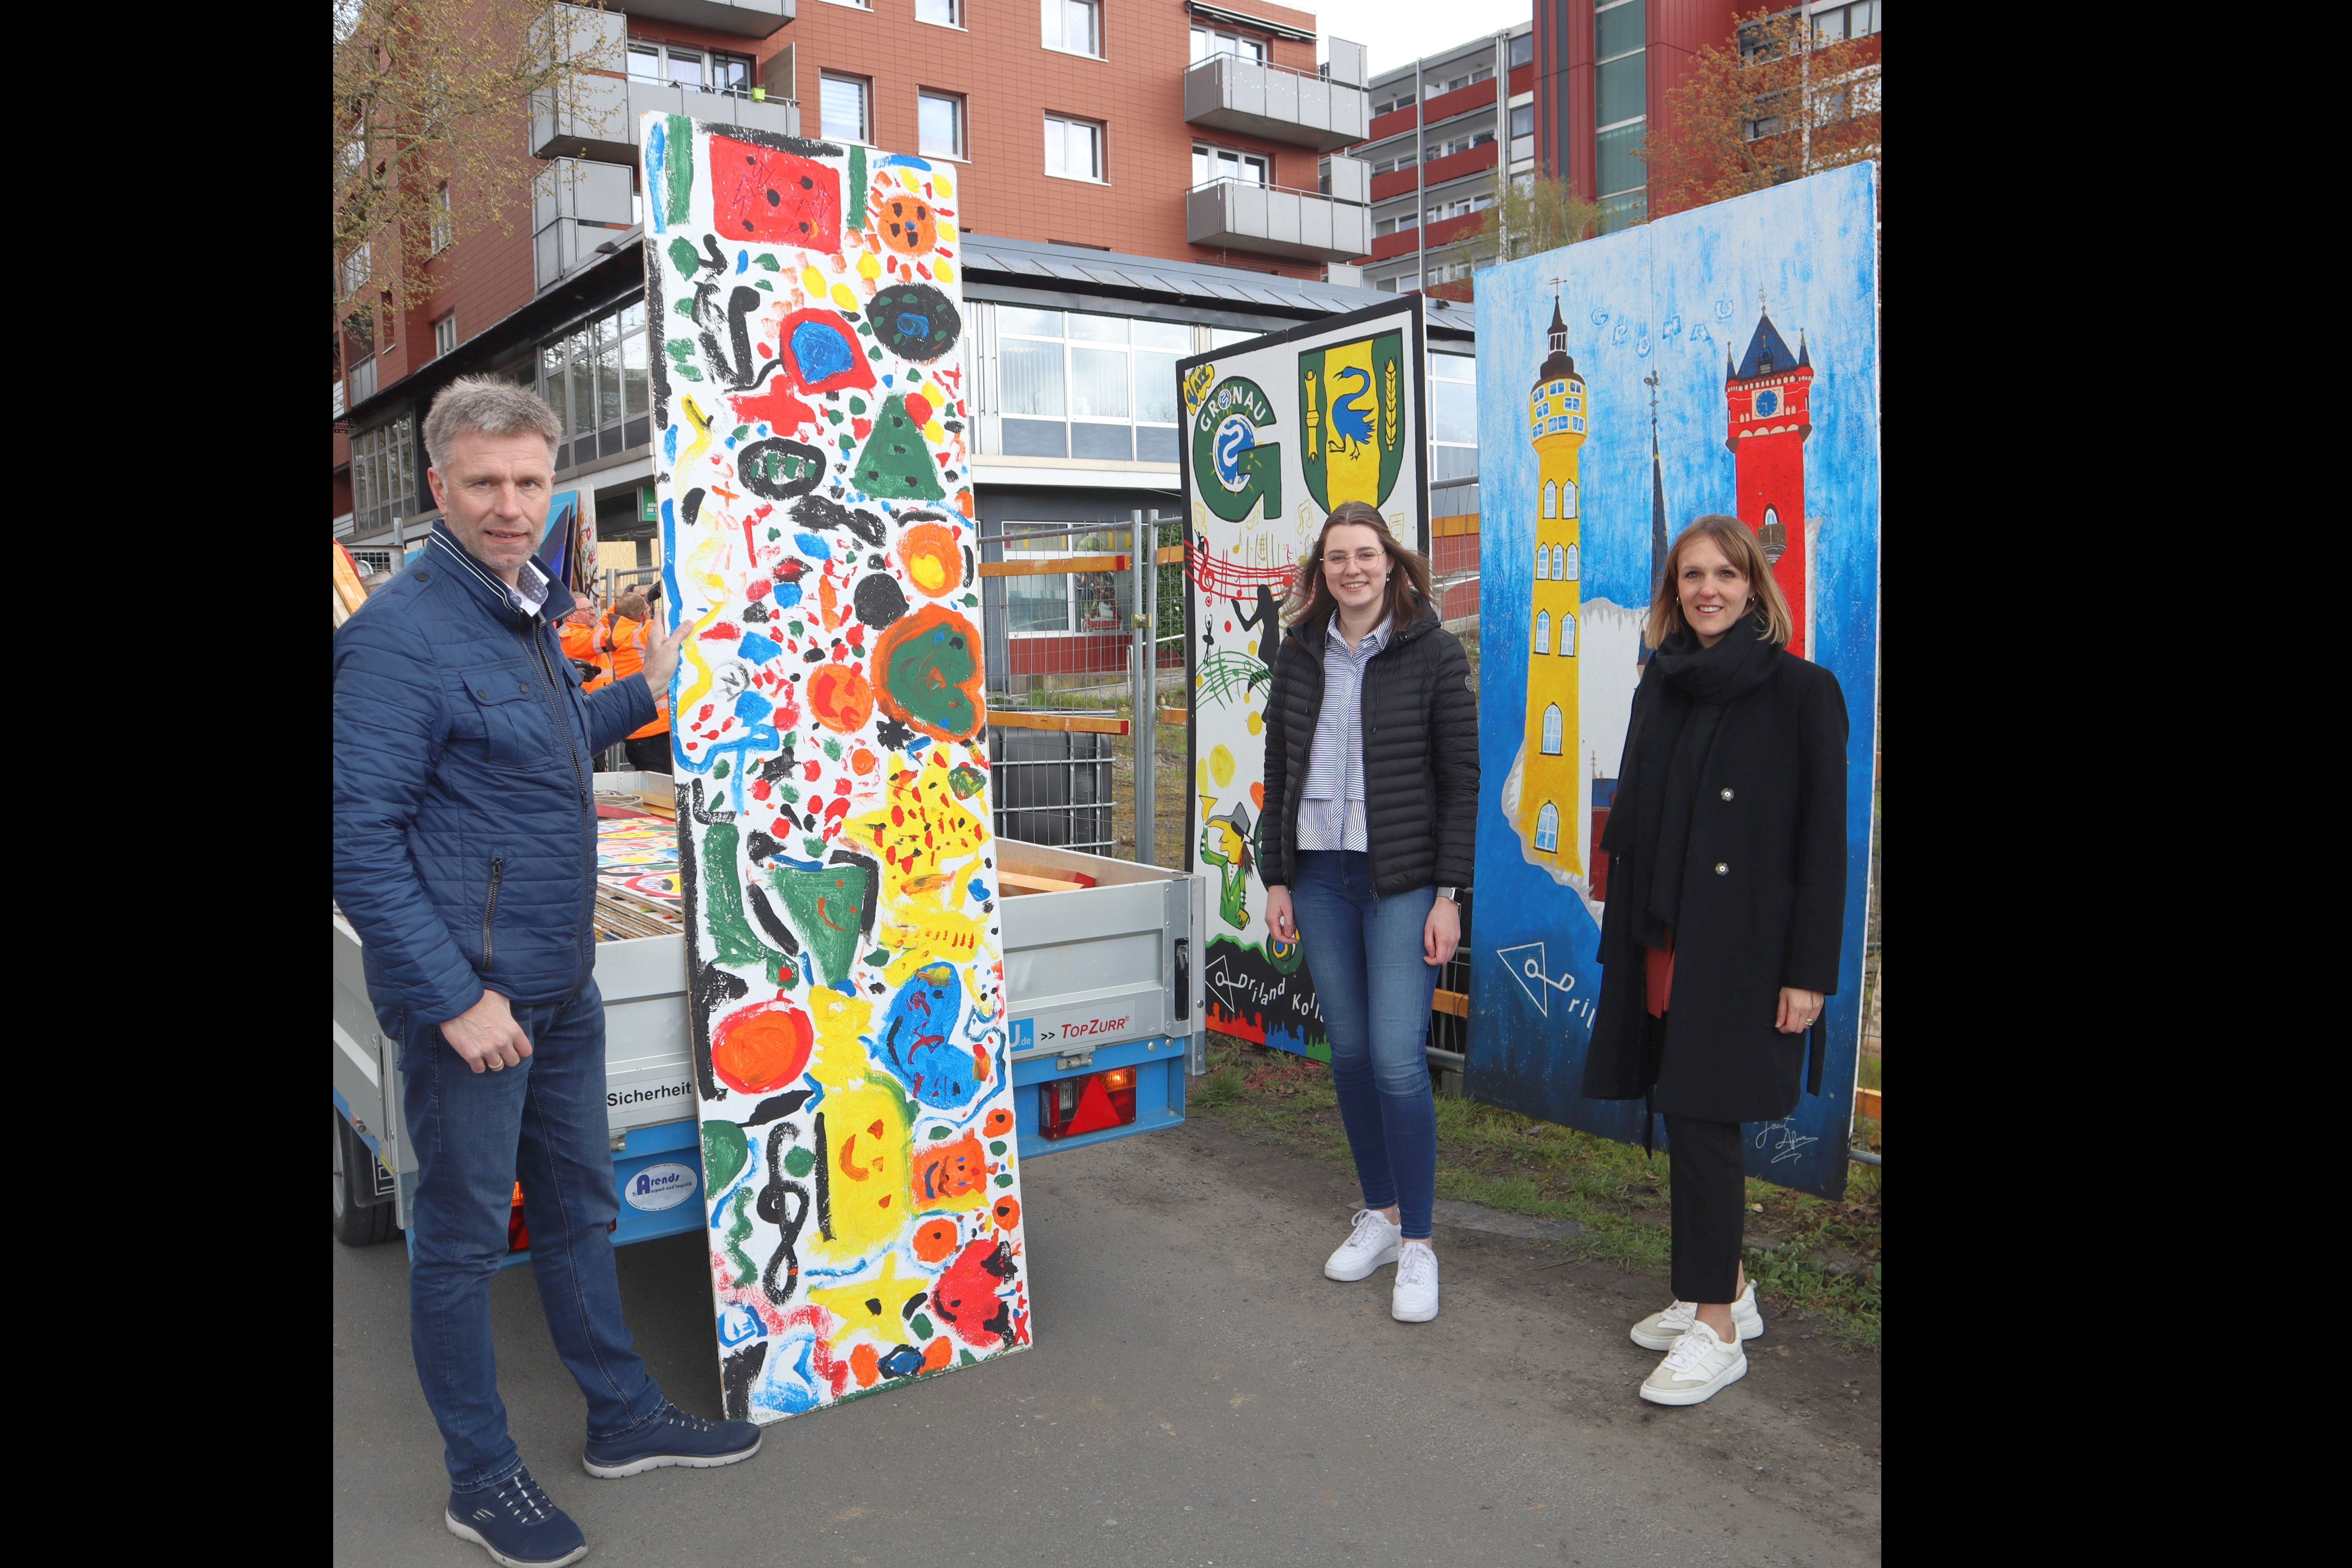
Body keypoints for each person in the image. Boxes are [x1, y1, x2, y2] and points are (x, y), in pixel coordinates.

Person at [333, 376, 751, 1568]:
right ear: (438, 488)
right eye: (485, 484)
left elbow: (541, 739)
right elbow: (356, 837)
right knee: (463, 1242)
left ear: (551, 484)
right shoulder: (396, 637)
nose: (510, 505)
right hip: (475, 1000)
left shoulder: (523, 611)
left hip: (562, 984)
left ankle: (621, 1419)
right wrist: (457, 1001)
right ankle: (483, 1477)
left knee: (581, 1211)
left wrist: (646, 688)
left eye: (528, 482)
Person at [1583, 514, 1847, 1408]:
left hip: (1743, 952)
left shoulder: (1803, 692)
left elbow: (1825, 848)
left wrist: (1808, 971)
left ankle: (1718, 1332)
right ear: (1674, 590)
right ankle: (1725, 1285)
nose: (1708, 590)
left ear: (1753, 584)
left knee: (1703, 1124)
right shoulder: (1663, 683)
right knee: (1681, 1110)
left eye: (1725, 575)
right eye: (1691, 575)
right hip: (1663, 939)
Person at [1260, 500, 1479, 1323]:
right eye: (1336, 558)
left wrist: (1450, 896)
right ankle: (1381, 1214)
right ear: (1322, 570)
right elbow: (1280, 764)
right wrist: (1277, 877)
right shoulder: (1300, 649)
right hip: (1318, 873)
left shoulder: (1432, 653)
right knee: (1349, 1051)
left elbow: (1461, 782)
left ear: (1392, 562)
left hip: (1404, 883)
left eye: (1365, 555)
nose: (1351, 569)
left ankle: (1420, 1241)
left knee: (1395, 1057)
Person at [601, 590, 673, 775]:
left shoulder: (614, 636)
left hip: (635, 729)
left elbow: (612, 617)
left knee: (653, 792)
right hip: (658, 726)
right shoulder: (646, 631)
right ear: (644, 614)